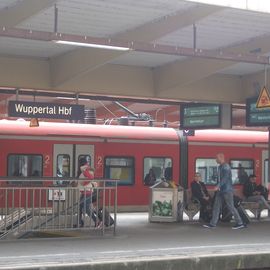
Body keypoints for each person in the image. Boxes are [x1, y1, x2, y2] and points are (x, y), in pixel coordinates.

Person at [203, 153, 245, 229]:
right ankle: (213, 223)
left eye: (216, 158)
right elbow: (219, 179)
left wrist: (218, 185)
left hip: (227, 190)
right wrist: (217, 186)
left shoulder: (226, 167)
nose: (215, 159)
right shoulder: (220, 167)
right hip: (221, 190)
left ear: (221, 158)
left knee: (230, 206)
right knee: (216, 206)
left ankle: (240, 222)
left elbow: (225, 178)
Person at [74, 157, 97, 227]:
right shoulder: (83, 169)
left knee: (87, 209)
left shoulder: (85, 169)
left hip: (87, 192)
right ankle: (80, 222)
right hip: (84, 193)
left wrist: (84, 183)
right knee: (80, 208)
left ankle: (97, 221)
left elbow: (90, 178)